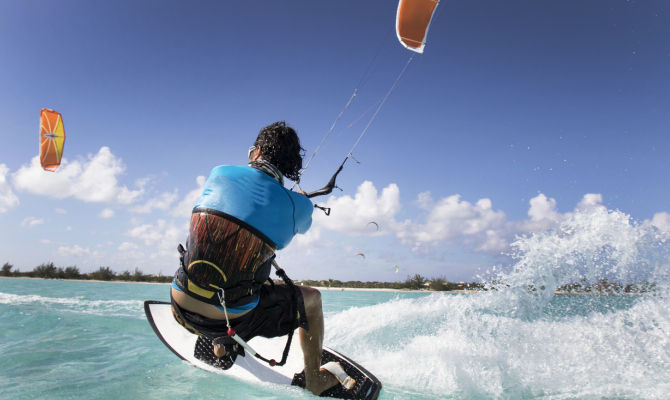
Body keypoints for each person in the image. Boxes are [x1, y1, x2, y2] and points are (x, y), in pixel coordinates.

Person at [170, 121, 338, 395]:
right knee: (312, 300)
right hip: (235, 317)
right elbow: (300, 228)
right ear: (288, 166)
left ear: (255, 153)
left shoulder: (218, 173)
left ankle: (222, 344)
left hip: (179, 304)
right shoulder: (299, 205)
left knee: (221, 268)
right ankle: (314, 380)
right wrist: (296, 200)